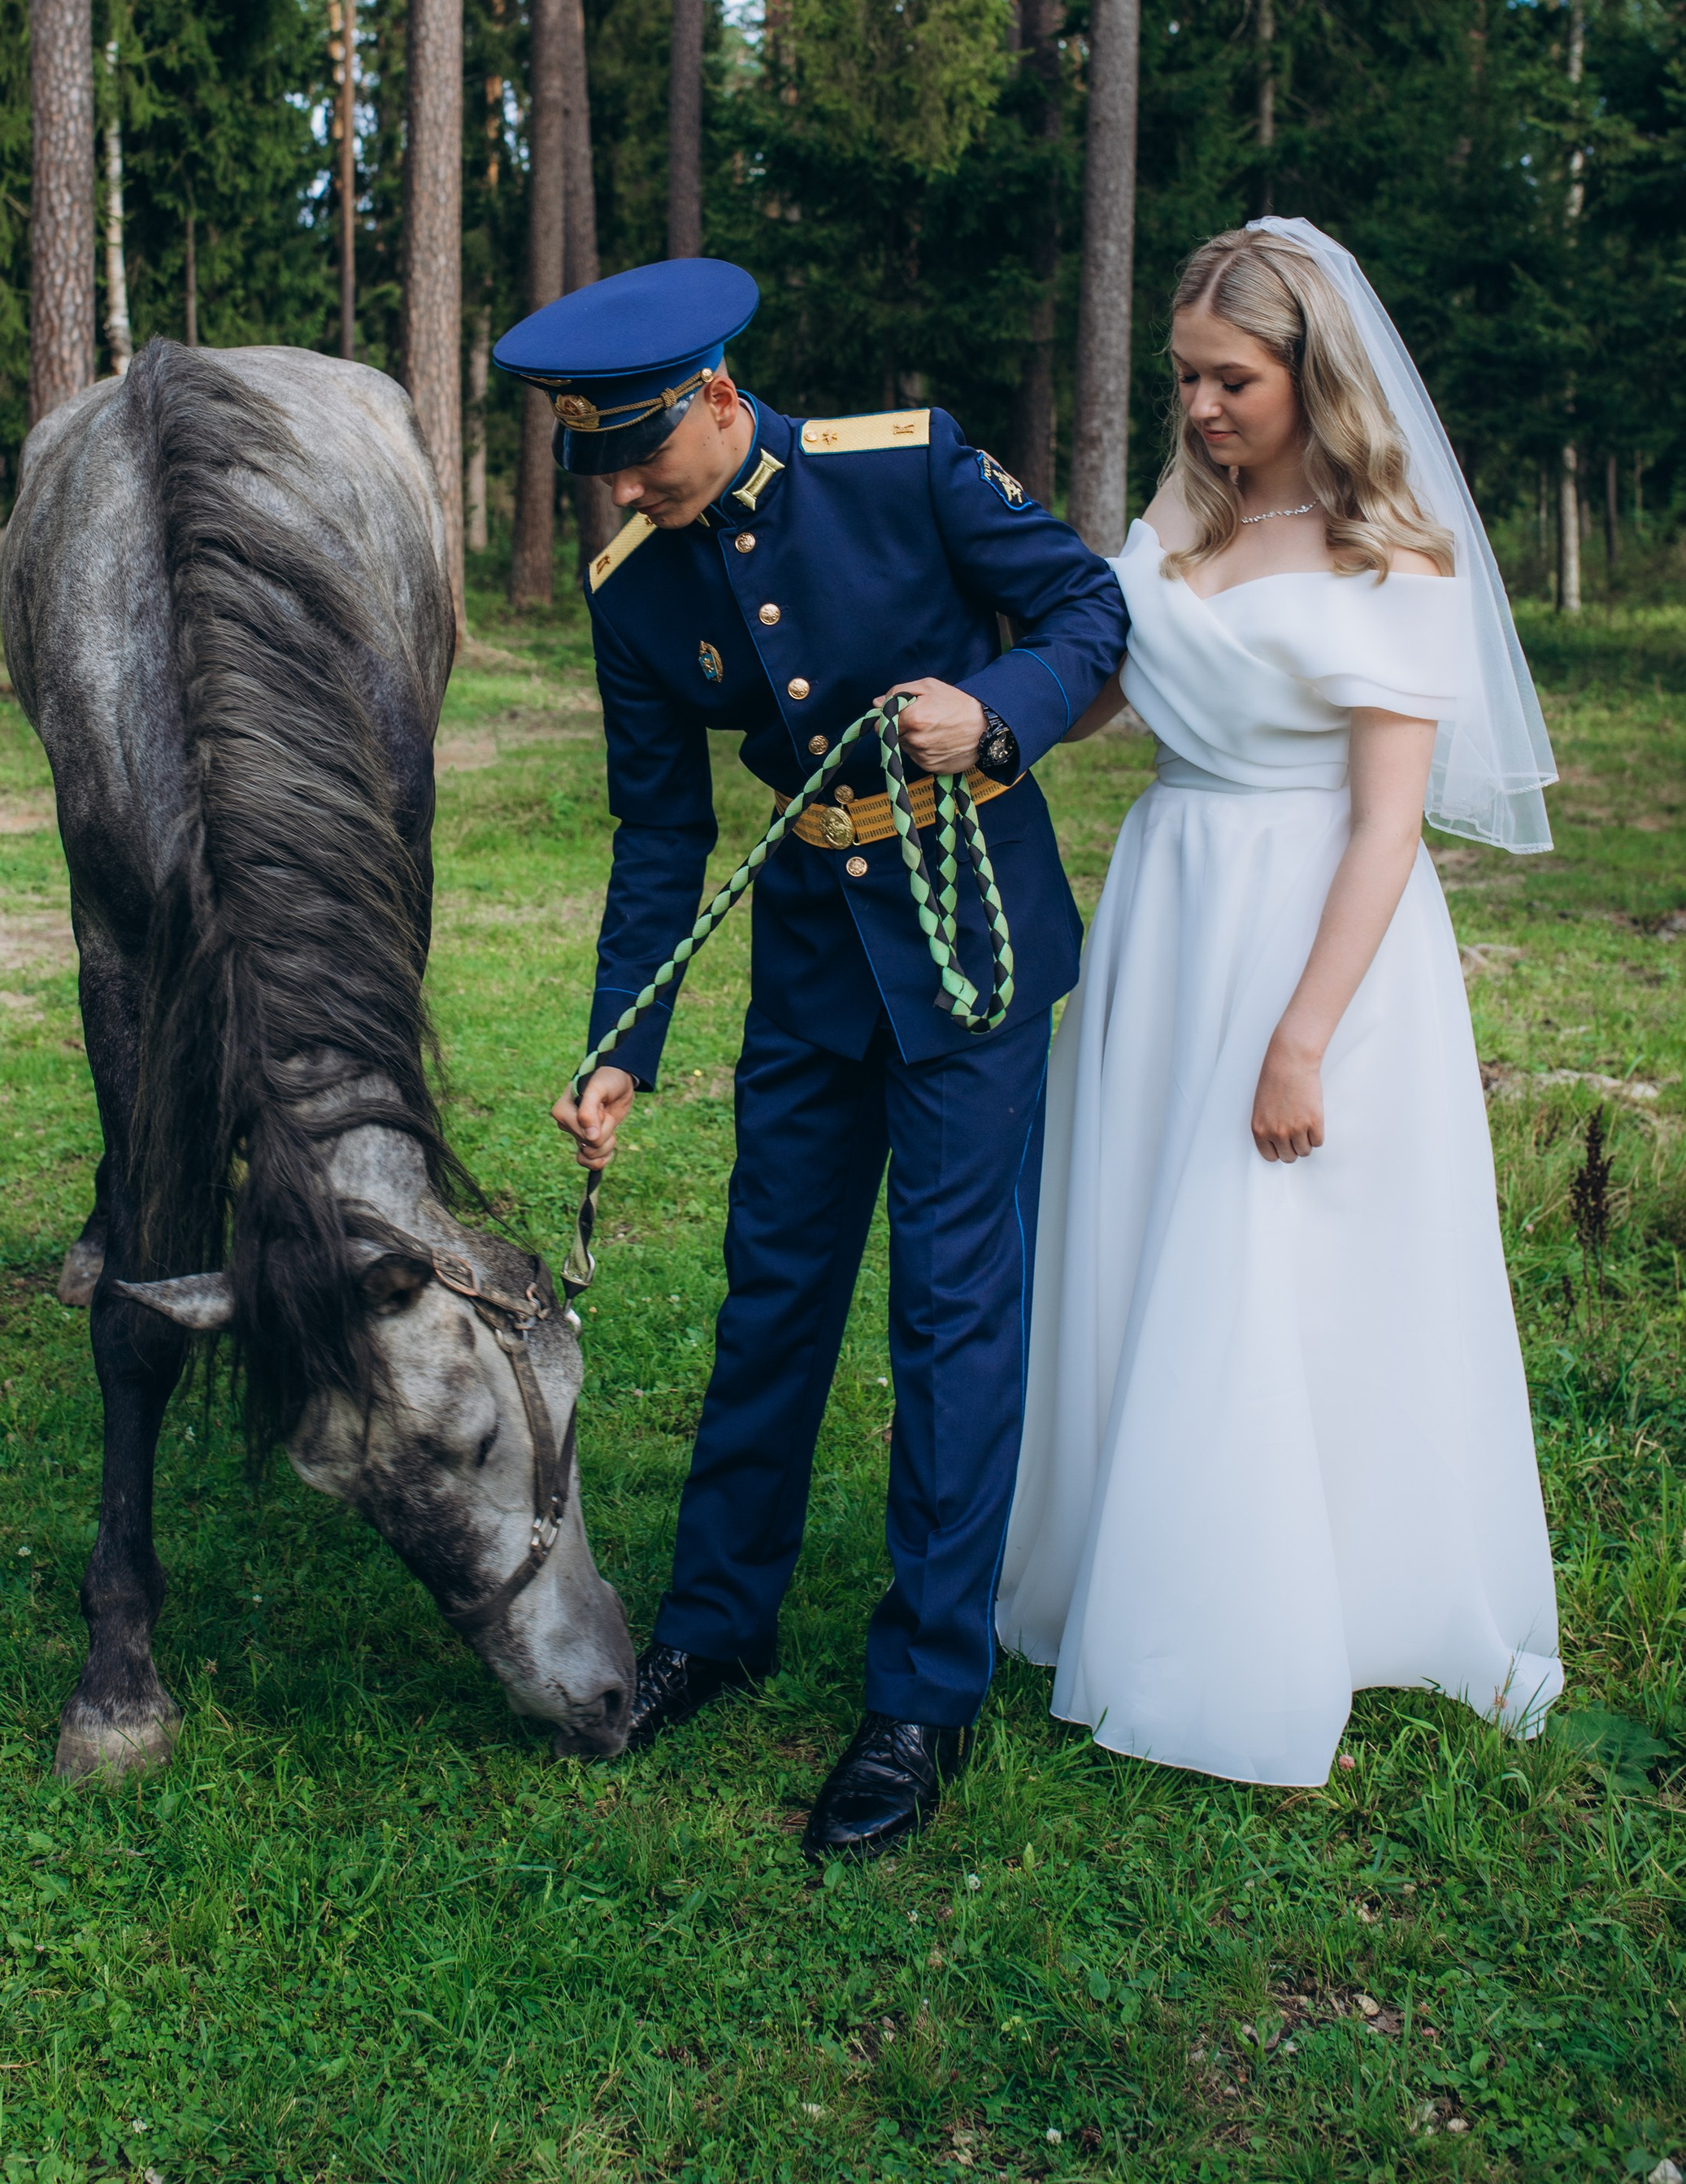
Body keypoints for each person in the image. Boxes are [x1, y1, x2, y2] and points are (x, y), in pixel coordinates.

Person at [492, 259, 1128, 1856]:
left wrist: (990, 711)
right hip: (808, 958)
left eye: (643, 452)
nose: (625, 487)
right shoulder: (636, 585)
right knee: (771, 1289)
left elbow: (1084, 607)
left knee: (948, 1317)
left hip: (968, 925)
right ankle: (716, 1623)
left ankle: (921, 1693)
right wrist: (621, 1043)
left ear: (718, 394)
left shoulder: (901, 466)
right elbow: (658, 831)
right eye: (600, 464)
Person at [997, 220, 1562, 1787]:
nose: (1200, 406)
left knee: (1271, 1252)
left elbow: (1388, 824)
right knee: (1145, 1235)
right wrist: (988, 717)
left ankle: (1284, 1610)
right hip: (1172, 905)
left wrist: (1301, 1033)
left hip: (1313, 926)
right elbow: (1103, 680)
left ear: (1311, 371)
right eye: (1184, 375)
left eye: (1230, 378)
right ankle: (1121, 1556)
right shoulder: (1190, 511)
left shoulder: (1398, 555)